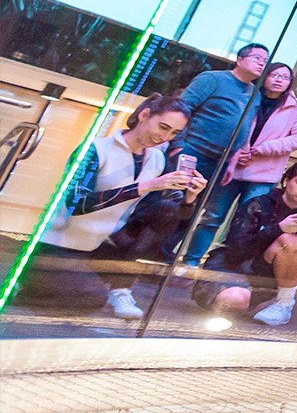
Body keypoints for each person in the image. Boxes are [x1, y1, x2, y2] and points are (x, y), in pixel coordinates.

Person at [16, 94, 201, 319]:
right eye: (163, 127)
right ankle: (30, 281)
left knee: (166, 210)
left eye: (173, 133)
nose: (165, 137)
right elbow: (78, 204)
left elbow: (166, 216)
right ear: (144, 115)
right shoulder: (96, 149)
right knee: (90, 299)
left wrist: (189, 199)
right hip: (60, 244)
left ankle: (120, 287)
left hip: (103, 245)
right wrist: (144, 186)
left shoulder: (157, 159)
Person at [184, 62, 297, 265]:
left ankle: (232, 267)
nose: (279, 80)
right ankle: (190, 262)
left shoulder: (296, 107)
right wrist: (237, 153)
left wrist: (266, 148)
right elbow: (233, 127)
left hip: (263, 175)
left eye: (285, 78)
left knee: (249, 224)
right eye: (274, 75)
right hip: (233, 170)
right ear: (264, 77)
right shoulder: (249, 97)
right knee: (212, 218)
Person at [191, 161, 297, 327]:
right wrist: (278, 228)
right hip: (233, 267)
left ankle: (283, 303)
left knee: (290, 242)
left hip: (264, 275)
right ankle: (258, 305)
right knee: (235, 300)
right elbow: (236, 251)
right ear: (286, 181)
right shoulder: (259, 204)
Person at [166, 45, 267, 259]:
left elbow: (244, 128)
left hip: (221, 162)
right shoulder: (212, 79)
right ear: (240, 59)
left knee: (193, 210)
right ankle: (151, 250)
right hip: (193, 151)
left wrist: (232, 161)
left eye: (265, 61)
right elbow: (182, 108)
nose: (261, 63)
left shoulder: (255, 94)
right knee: (172, 204)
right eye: (257, 58)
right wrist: (178, 146)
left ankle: (165, 254)